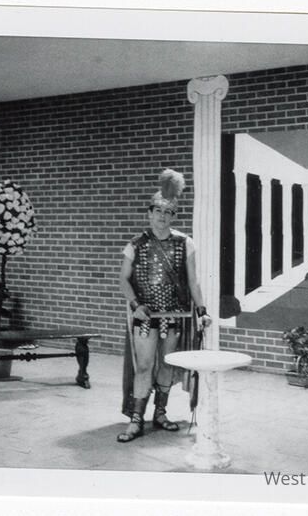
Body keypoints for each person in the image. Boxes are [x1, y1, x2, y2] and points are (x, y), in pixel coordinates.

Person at [117, 169, 212, 443]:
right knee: (144, 366)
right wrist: (136, 305)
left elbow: (193, 281)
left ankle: (160, 413)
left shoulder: (185, 243)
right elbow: (123, 279)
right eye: (158, 210)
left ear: (174, 216)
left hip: (174, 315)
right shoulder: (135, 244)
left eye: (168, 212)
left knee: (167, 366)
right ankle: (136, 420)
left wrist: (202, 310)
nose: (162, 216)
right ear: (149, 213)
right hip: (146, 316)